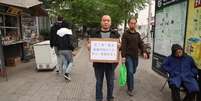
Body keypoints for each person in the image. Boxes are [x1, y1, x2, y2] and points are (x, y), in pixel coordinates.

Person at [88, 15, 120, 101]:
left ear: (110, 22)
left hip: (110, 64)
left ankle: (110, 97)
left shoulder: (115, 34)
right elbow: (89, 45)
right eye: (104, 20)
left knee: (110, 83)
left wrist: (119, 46)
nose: (106, 22)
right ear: (101, 22)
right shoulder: (94, 33)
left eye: (108, 20)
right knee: (99, 82)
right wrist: (89, 46)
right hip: (98, 64)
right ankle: (99, 98)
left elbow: (119, 47)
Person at [121, 17, 148, 96]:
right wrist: (123, 56)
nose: (133, 24)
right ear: (128, 24)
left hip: (135, 57)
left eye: (134, 23)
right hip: (128, 56)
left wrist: (144, 52)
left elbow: (141, 44)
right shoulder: (125, 34)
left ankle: (128, 79)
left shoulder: (137, 34)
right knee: (130, 71)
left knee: (133, 71)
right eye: (131, 23)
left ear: (136, 24)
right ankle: (130, 89)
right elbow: (123, 46)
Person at [50, 16, 74, 80]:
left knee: (61, 58)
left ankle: (59, 70)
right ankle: (66, 73)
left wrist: (52, 44)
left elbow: (53, 37)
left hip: (58, 47)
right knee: (70, 61)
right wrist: (72, 48)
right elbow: (70, 40)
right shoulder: (68, 30)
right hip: (67, 48)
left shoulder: (56, 29)